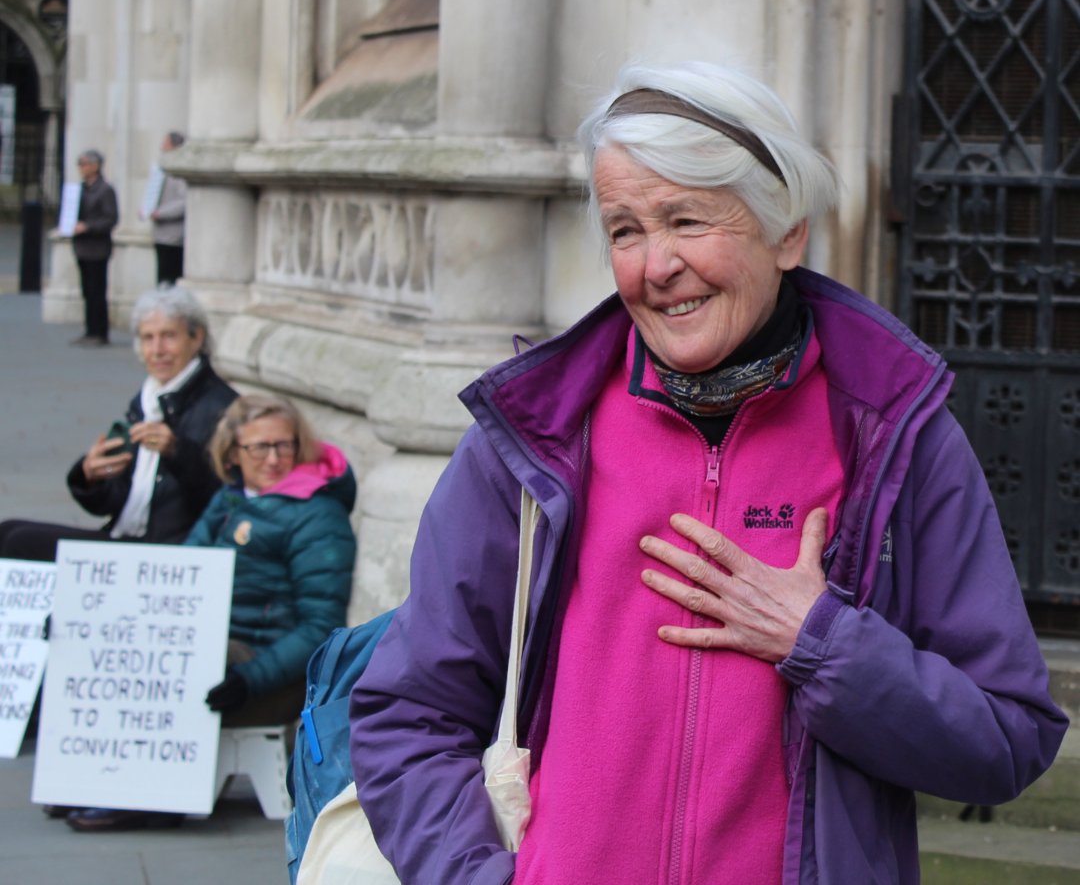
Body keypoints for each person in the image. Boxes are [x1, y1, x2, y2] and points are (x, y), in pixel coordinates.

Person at [349, 60, 1069, 883]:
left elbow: (1008, 738)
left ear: (786, 231)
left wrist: (824, 645)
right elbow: (408, 712)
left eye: (687, 220)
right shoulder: (535, 442)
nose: (656, 265)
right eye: (626, 230)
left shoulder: (893, 439)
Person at [64, 391, 358, 832]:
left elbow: (320, 627)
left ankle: (152, 796)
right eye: (259, 447)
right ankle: (94, 774)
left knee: (180, 663)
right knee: (113, 645)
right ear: (233, 453)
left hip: (271, 670)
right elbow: (179, 576)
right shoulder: (231, 499)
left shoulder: (319, 516)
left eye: (284, 444)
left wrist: (250, 677)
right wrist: (88, 619)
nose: (274, 458)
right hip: (216, 645)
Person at [0, 283, 237, 560]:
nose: (157, 349)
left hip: (168, 552)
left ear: (197, 339)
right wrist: (92, 477)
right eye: (148, 338)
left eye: (169, 336)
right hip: (126, 536)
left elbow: (228, 498)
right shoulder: (149, 399)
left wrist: (177, 452)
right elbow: (119, 502)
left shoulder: (222, 406)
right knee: (7, 531)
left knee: (21, 542)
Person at [70, 148, 119, 346]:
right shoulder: (79, 189)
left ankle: (100, 332)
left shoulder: (105, 190)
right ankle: (89, 329)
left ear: (95, 166)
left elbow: (111, 218)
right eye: (79, 164)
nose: (81, 168)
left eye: (84, 164)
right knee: (86, 290)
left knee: (97, 290)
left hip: (98, 248)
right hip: (82, 247)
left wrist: (88, 226)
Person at [147, 131, 188, 284]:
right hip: (161, 235)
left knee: (169, 280)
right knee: (162, 279)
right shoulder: (162, 171)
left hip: (174, 236)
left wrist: (160, 213)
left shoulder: (180, 173)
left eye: (165, 144)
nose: (162, 148)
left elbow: (184, 202)